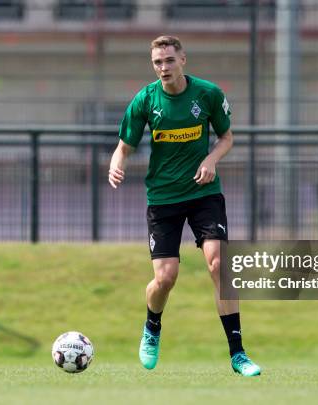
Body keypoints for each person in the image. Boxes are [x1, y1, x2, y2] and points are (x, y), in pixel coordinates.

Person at [108, 35, 260, 377]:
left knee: (220, 265)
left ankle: (238, 355)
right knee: (165, 278)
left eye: (169, 61)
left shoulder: (207, 94)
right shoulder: (145, 100)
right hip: (163, 199)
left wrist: (211, 160)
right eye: (158, 62)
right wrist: (116, 161)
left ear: (183, 60)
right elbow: (124, 145)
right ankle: (152, 327)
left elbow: (227, 137)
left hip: (204, 193)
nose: (163, 67)